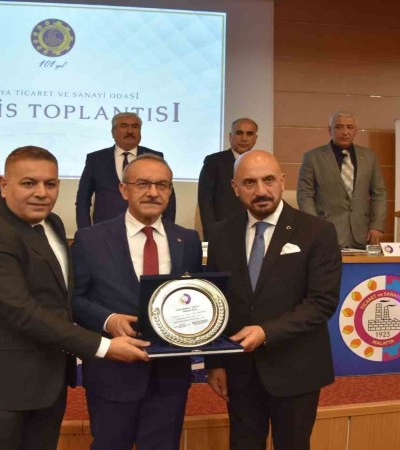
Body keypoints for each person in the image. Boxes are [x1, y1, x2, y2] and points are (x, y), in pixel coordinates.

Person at [0, 146, 150, 450]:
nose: (42, 193)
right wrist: (105, 346)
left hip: (47, 382)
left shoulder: (52, 222)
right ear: (3, 185)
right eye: (29, 183)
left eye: (50, 184)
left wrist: (109, 320)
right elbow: (21, 312)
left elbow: (60, 298)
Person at [205, 150, 341, 450]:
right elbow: (217, 302)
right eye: (249, 183)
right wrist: (215, 362)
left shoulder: (318, 231)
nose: (261, 190)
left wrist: (266, 332)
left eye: (268, 180)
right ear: (235, 187)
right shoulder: (220, 234)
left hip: (296, 369)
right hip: (240, 371)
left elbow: (322, 302)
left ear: (282, 181)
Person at [71, 153, 201, 450]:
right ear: (123, 190)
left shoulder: (188, 240)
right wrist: (108, 321)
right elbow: (74, 300)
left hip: (169, 378)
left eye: (162, 185)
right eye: (142, 184)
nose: (153, 192)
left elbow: (194, 298)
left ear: (170, 191)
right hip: (112, 373)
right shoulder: (90, 239)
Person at [296, 111, 387, 249]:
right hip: (325, 232)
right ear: (330, 130)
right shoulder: (313, 157)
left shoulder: (369, 157)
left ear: (356, 130)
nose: (345, 132)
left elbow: (379, 193)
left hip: (362, 233)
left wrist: (377, 225)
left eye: (350, 127)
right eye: (339, 127)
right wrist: (314, 226)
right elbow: (304, 195)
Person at [75, 112, 176, 229]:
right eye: (124, 126)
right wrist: (85, 232)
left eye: (135, 126)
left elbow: (169, 200)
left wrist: (168, 230)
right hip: (105, 230)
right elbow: (83, 200)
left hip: (146, 228)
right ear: (113, 132)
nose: (130, 131)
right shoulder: (96, 159)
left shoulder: (154, 157)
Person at [198, 118, 259, 240]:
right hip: (223, 230)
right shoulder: (214, 161)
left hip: (255, 231)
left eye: (249, 134)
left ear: (255, 138)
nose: (244, 138)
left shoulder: (260, 163)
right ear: (230, 136)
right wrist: (211, 233)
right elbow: (205, 201)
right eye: (239, 133)